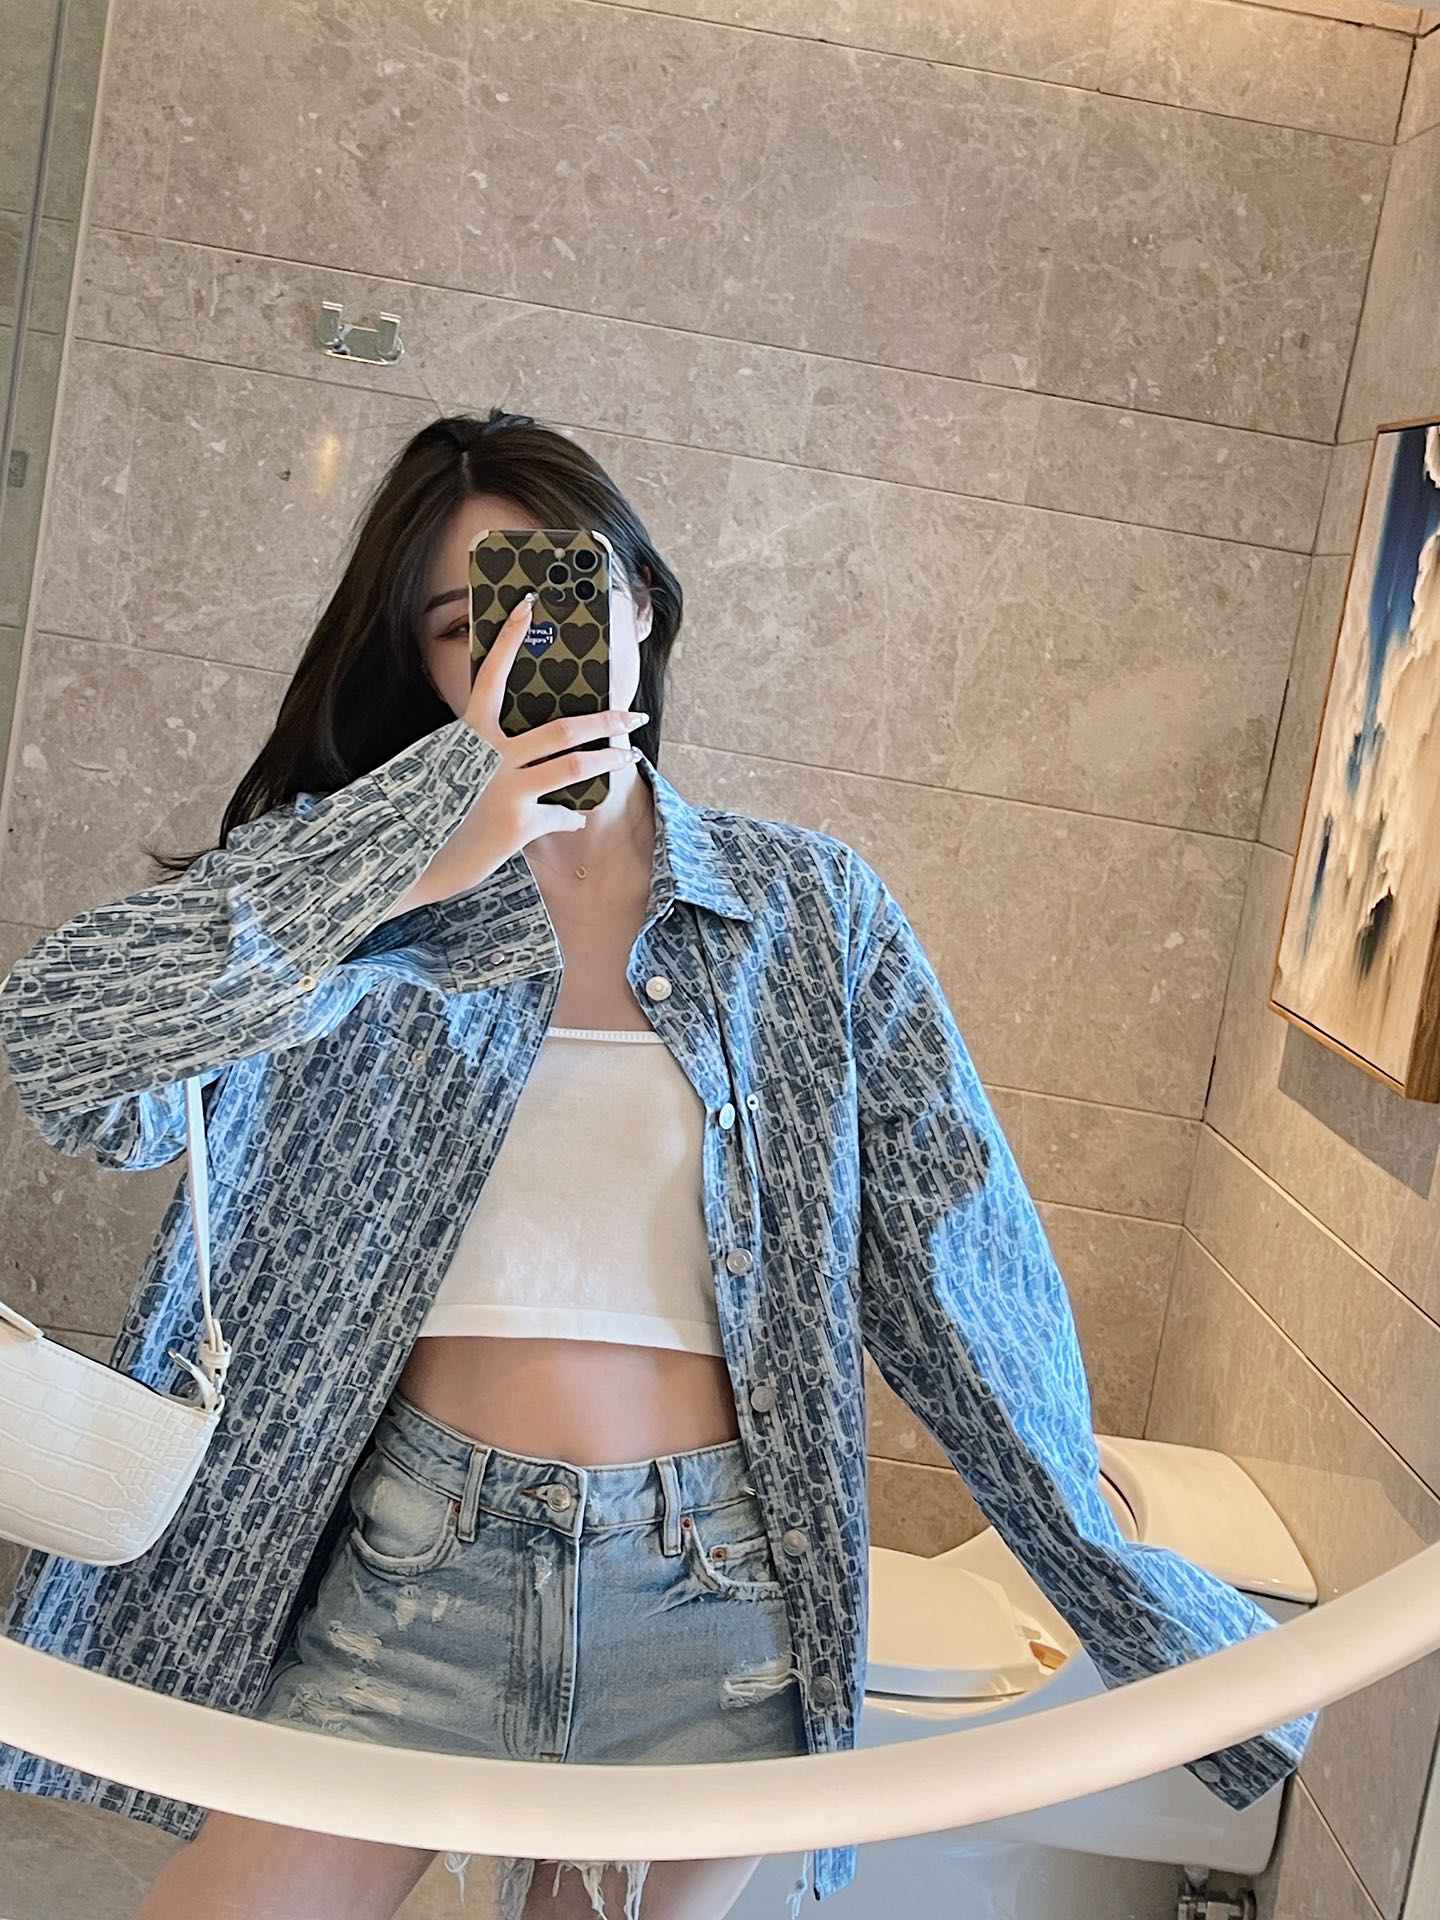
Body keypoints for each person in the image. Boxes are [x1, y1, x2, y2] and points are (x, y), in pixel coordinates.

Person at [0, 410, 1316, 1920]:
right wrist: (414, 848)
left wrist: (1126, 1591)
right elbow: (65, 1057)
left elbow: (962, 1271)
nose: (520, 651)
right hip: (410, 1565)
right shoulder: (350, 898)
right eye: (466, 626)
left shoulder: (807, 912)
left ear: (636, 604)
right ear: (426, 668)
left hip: (712, 1603)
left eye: (558, 596)